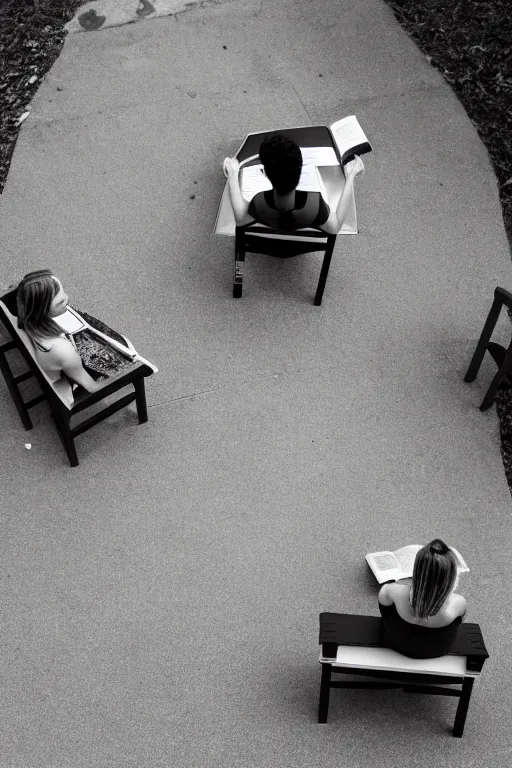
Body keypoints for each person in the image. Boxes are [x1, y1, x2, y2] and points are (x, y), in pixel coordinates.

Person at [224, 133, 365, 235]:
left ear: (265, 174)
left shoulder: (259, 202)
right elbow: (335, 227)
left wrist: (232, 174)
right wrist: (350, 176)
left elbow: (240, 219)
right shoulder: (315, 205)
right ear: (300, 170)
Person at [377, 539, 467, 658]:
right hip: (436, 652)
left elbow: (385, 612)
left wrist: (404, 583)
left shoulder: (388, 591)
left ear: (416, 570)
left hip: (394, 644)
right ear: (450, 577)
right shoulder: (459, 603)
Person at [16, 270, 102, 393]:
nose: (67, 298)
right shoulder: (64, 350)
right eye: (60, 302)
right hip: (65, 384)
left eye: (63, 293)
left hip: (54, 364)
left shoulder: (30, 318)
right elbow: (92, 388)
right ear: (42, 312)